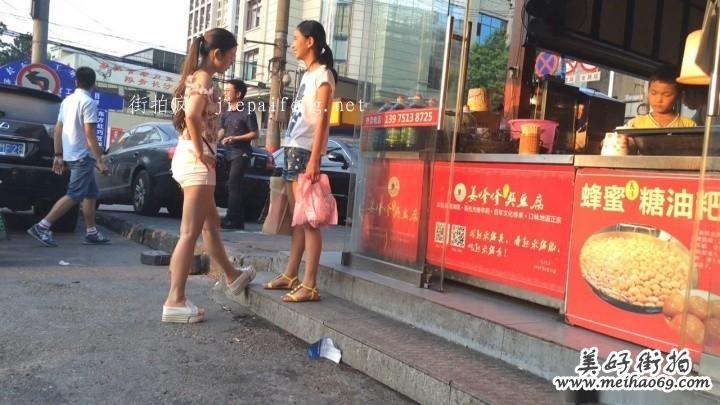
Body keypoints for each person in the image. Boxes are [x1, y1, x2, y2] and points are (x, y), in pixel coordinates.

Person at [163, 28, 255, 324]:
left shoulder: (197, 77)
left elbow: (194, 117)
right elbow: (191, 115)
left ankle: (232, 275)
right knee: (190, 233)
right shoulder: (203, 79)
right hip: (197, 162)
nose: (232, 62)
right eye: (231, 56)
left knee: (210, 226)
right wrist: (201, 150)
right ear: (217, 54)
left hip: (192, 159)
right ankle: (175, 300)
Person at [263, 20, 336, 302]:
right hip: (293, 149)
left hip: (305, 152)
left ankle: (310, 284)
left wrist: (315, 158)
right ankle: (291, 274)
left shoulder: (323, 76)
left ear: (310, 41)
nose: (292, 44)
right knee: (298, 221)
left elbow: (323, 120)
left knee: (309, 222)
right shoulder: (308, 75)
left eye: (296, 39)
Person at [27, 67, 111, 247]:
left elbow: (58, 129)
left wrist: (58, 154)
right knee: (74, 194)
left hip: (70, 154)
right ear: (93, 84)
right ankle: (42, 227)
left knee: (90, 194)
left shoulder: (67, 101)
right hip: (82, 156)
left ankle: (92, 232)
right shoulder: (89, 103)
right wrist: (100, 160)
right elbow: (90, 134)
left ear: (76, 82)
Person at [218, 79, 258, 230]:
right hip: (228, 154)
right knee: (232, 185)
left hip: (242, 154)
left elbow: (255, 134)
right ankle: (237, 220)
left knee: (233, 184)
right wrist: (212, 141)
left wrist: (235, 138)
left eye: (228, 90)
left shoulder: (247, 112)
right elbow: (222, 130)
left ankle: (232, 219)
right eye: (225, 90)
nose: (225, 93)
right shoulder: (226, 113)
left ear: (238, 94)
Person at [626, 66, 696, 128]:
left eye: (667, 95)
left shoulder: (688, 125)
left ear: (679, 96)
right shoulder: (634, 124)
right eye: (653, 93)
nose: (658, 100)